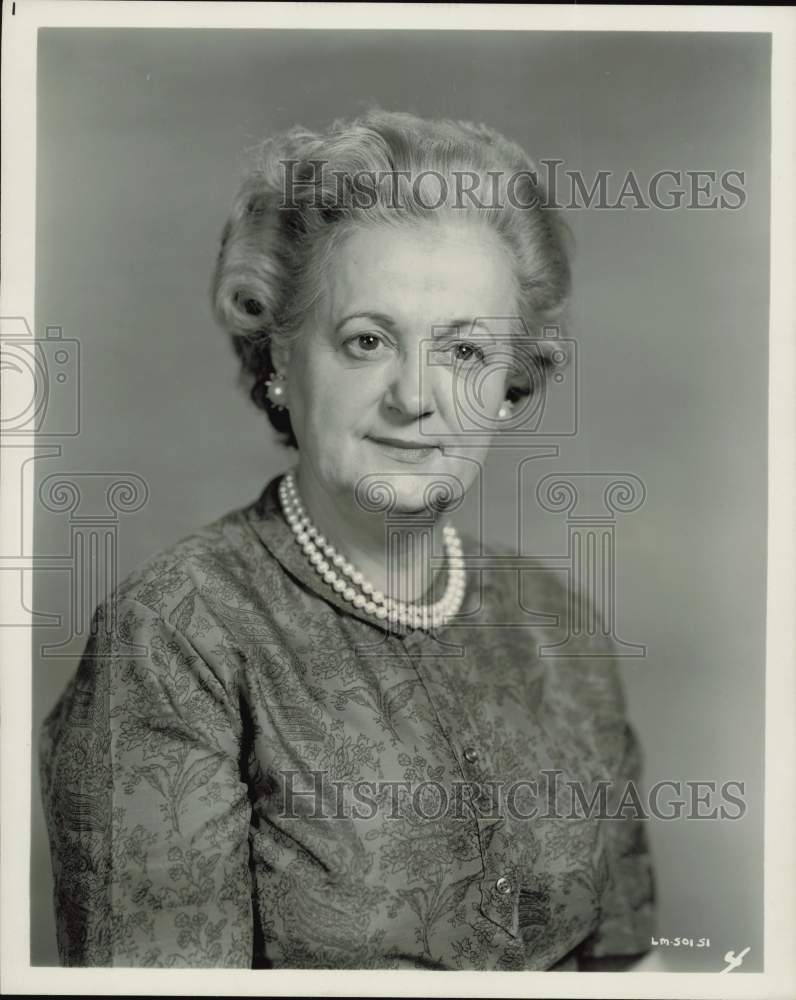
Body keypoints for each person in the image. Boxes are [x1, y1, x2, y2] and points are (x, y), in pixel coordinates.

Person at [39, 109, 655, 969]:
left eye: (467, 352)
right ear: (281, 361)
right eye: (367, 341)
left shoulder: (558, 625)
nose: (416, 395)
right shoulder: (178, 637)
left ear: (514, 384)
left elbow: (627, 970)